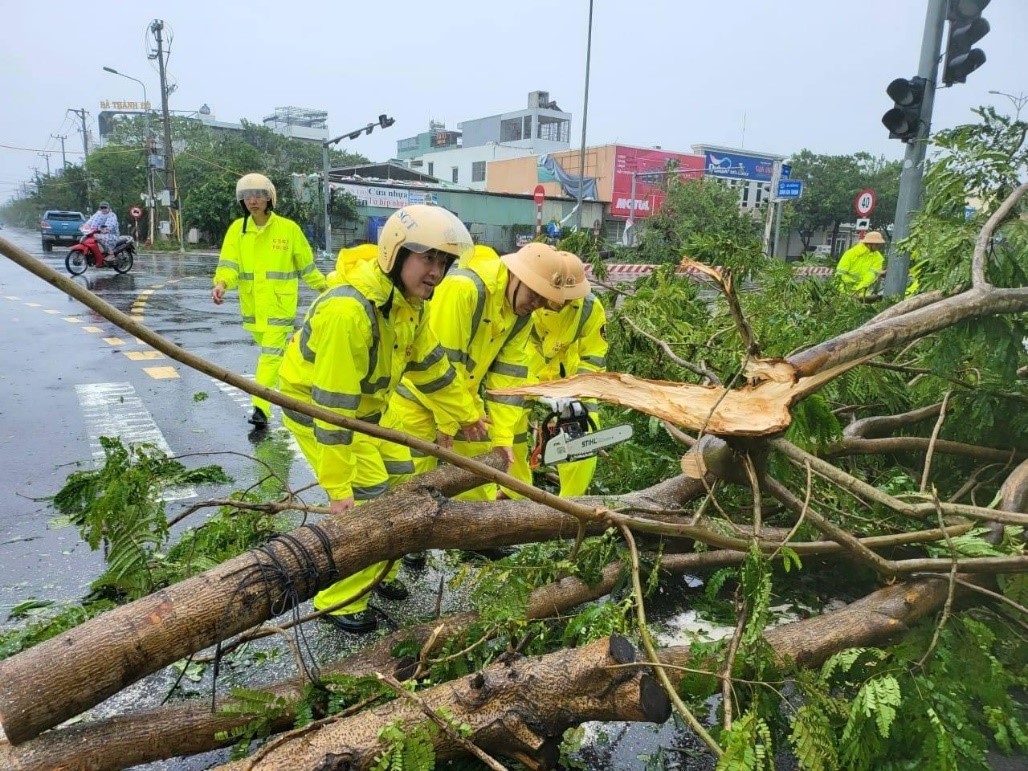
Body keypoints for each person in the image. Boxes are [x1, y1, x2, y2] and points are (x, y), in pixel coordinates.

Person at [277, 204, 488, 634]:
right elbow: (331, 407)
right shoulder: (348, 312)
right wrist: (338, 488)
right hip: (321, 413)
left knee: (400, 481)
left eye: (444, 262)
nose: (436, 272)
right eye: (427, 258)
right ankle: (338, 598)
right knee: (368, 498)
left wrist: (467, 416)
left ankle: (377, 575)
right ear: (396, 253)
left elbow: (432, 367)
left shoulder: (410, 304)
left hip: (367, 414)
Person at [382, 241, 588, 505]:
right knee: (412, 479)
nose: (536, 305)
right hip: (416, 398)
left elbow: (508, 378)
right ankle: (409, 539)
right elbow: (439, 364)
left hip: (461, 400)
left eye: (543, 300)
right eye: (534, 295)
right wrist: (450, 421)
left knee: (478, 462)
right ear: (517, 276)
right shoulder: (464, 290)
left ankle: (474, 537)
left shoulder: (520, 313)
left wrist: (502, 437)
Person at [212, 173, 328, 429]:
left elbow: (306, 267)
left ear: (269, 199)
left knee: (269, 356)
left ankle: (260, 408)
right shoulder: (237, 231)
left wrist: (325, 287)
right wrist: (221, 284)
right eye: (247, 196)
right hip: (253, 309)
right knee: (277, 358)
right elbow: (229, 265)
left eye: (258, 195)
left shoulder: (288, 230)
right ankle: (303, 387)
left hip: (279, 307)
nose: (253, 201)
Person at [527, 252, 608, 497]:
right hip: (530, 381)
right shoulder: (529, 303)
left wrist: (576, 392)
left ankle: (571, 503)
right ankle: (513, 494)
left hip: (576, 383)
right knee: (508, 431)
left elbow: (594, 356)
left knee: (585, 433)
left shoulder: (590, 307)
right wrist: (539, 391)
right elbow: (519, 355)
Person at [835, 231, 886, 297]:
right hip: (844, 290)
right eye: (877, 244)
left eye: (880, 244)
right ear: (869, 243)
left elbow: (869, 277)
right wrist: (844, 293)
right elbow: (839, 275)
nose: (879, 247)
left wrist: (857, 291)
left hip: (862, 292)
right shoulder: (851, 253)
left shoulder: (878, 258)